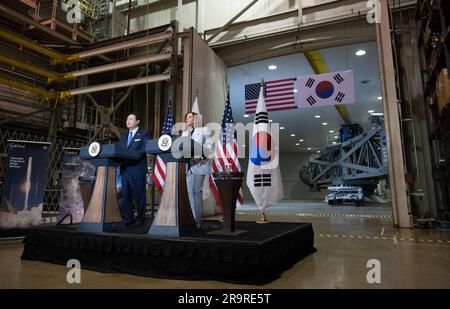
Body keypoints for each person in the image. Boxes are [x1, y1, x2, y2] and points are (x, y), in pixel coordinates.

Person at [118, 112, 149, 227]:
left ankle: (141, 219)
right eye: (127, 119)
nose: (128, 121)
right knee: (126, 196)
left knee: (139, 195)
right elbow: (120, 149)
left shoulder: (143, 133)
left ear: (137, 122)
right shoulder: (124, 135)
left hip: (137, 169)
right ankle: (128, 219)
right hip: (125, 169)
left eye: (131, 119)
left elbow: (144, 149)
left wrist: (130, 156)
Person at [182, 112, 212, 228]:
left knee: (196, 191)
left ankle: (198, 220)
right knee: (189, 193)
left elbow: (209, 146)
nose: (188, 119)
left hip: (200, 164)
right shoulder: (185, 133)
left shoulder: (205, 130)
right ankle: (191, 218)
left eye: (190, 116)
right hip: (188, 166)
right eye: (186, 117)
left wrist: (200, 155)